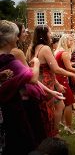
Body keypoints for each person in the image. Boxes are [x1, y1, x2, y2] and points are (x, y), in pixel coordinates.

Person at [26, 25, 75, 137]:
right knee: (49, 110)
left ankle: (53, 131)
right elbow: (56, 69)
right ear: (43, 35)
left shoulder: (32, 48)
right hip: (46, 84)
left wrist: (57, 83)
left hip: (43, 82)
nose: (51, 35)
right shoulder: (45, 48)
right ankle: (52, 134)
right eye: (49, 32)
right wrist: (74, 75)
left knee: (60, 105)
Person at [0, 20, 40, 154]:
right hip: (10, 107)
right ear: (11, 38)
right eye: (17, 35)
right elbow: (33, 78)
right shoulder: (8, 59)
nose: (18, 38)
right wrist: (37, 63)